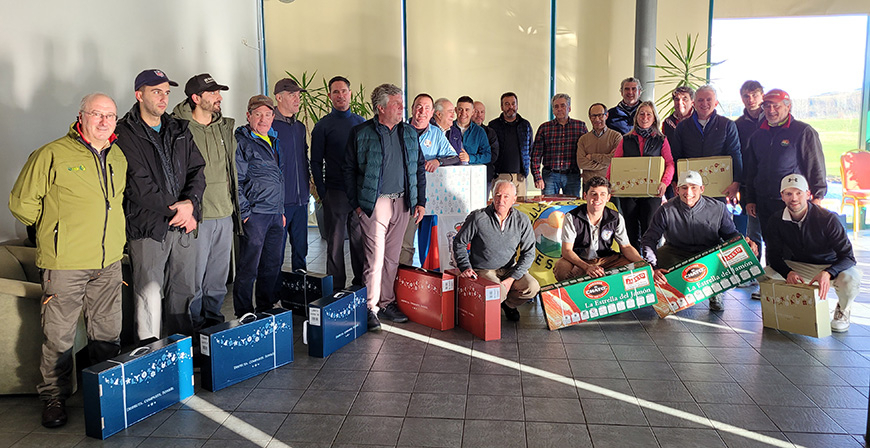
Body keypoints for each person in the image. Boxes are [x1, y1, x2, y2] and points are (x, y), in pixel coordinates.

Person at [10, 93, 127, 429]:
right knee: (59, 336)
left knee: (107, 332)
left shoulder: (118, 156)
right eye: (97, 114)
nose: (104, 121)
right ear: (81, 116)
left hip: (108, 262)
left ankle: (106, 392)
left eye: (110, 115)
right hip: (65, 264)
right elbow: (22, 204)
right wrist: (56, 230)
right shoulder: (52, 154)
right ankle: (53, 398)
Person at [116, 69, 206, 343]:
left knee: (184, 291)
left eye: (166, 92)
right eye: (156, 91)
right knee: (149, 297)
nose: (163, 98)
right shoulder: (124, 132)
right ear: (139, 94)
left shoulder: (179, 128)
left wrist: (191, 204)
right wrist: (180, 210)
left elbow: (197, 171)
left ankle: (182, 354)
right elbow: (137, 184)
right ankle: (151, 355)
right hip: (148, 227)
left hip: (183, 226)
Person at [344, 83, 426, 331]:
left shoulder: (409, 132)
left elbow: (419, 168)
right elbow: (348, 170)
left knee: (392, 259)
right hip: (375, 204)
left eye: (402, 103)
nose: (402, 108)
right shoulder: (361, 133)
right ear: (380, 108)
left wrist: (420, 202)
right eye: (396, 104)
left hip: (402, 204)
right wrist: (358, 206)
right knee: (375, 259)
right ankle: (370, 307)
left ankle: (387, 302)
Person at [171, 73, 238, 330]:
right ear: (196, 98)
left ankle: (213, 327)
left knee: (218, 280)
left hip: (224, 213)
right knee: (192, 281)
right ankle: (194, 331)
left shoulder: (224, 127)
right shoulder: (178, 128)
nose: (219, 97)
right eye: (213, 93)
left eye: (219, 92)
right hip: (197, 217)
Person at [640, 171, 758, 311]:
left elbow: (730, 235)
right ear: (677, 190)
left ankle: (716, 291)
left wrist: (744, 244)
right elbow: (650, 239)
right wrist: (652, 266)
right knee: (656, 261)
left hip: (709, 254)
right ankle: (669, 295)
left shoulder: (718, 208)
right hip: (676, 251)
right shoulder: (665, 210)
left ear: (702, 189)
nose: (688, 192)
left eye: (693, 187)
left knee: (730, 253)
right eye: (684, 188)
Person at [761, 174, 861, 332]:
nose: (794, 198)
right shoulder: (776, 220)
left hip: (829, 265)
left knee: (851, 279)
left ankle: (843, 309)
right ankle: (781, 310)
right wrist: (788, 272)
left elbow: (848, 257)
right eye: (788, 194)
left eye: (799, 193)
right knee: (765, 274)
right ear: (782, 196)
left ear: (808, 194)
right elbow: (773, 255)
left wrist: (828, 272)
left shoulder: (828, 219)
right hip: (799, 266)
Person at [744, 89, 826, 241]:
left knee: (793, 244)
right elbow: (752, 171)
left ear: (788, 107)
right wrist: (750, 199)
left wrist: (818, 196)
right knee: (770, 242)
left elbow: (815, 166)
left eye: (776, 106)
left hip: (792, 201)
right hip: (763, 202)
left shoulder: (803, 132)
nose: (771, 110)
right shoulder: (757, 136)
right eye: (767, 106)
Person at [453, 180, 540, 321]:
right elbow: (459, 242)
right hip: (484, 270)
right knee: (497, 291)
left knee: (532, 287)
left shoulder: (522, 220)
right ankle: (489, 311)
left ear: (514, 199)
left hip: (509, 269)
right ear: (492, 197)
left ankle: (509, 304)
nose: (501, 200)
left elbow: (529, 253)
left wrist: (512, 278)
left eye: (506, 196)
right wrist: (465, 267)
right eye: (498, 195)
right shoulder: (478, 217)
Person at [310, 76, 366, 291]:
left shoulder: (361, 123)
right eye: (336, 92)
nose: (340, 95)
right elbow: (315, 162)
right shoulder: (323, 126)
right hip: (335, 192)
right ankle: (335, 289)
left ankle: (360, 285)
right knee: (334, 243)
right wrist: (322, 191)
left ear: (350, 93)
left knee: (359, 241)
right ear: (329, 96)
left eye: (344, 91)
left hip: (358, 193)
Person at [233, 95, 286, 317]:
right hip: (255, 215)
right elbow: (236, 181)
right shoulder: (241, 142)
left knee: (271, 265)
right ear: (248, 116)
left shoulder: (274, 141)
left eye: (267, 114)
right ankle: (244, 312)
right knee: (249, 267)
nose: (263, 119)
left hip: (275, 214)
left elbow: (278, 178)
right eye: (258, 114)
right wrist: (246, 213)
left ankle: (266, 307)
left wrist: (281, 211)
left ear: (273, 117)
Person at [399, 93, 459, 265]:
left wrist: (438, 161)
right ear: (412, 109)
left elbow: (454, 157)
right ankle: (401, 277)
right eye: (419, 107)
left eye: (427, 108)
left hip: (429, 198)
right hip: (404, 195)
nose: (422, 111)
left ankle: (424, 276)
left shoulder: (436, 134)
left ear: (432, 113)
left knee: (429, 245)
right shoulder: (400, 131)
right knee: (404, 243)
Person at [608, 101, 675, 249]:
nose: (645, 117)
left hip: (652, 192)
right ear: (636, 117)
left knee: (650, 229)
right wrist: (608, 183)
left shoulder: (661, 140)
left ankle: (651, 260)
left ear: (654, 118)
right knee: (630, 230)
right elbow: (615, 163)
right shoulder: (625, 139)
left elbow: (670, 164)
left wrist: (664, 183)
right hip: (628, 193)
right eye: (641, 114)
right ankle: (634, 260)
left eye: (649, 114)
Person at [553, 177, 643, 281]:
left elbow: (626, 246)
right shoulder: (572, 217)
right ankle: (574, 290)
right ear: (585, 196)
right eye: (593, 194)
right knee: (562, 268)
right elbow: (567, 251)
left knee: (633, 267)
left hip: (607, 259)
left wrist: (642, 263)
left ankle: (615, 291)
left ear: (608, 197)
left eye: (602, 194)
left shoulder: (615, 217)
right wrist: (587, 267)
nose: (598, 198)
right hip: (580, 259)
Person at [670, 85, 742, 201]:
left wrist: (736, 182)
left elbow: (735, 154)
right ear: (694, 103)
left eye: (709, 99)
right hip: (690, 189)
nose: (704, 103)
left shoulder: (727, 125)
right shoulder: (682, 127)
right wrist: (675, 181)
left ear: (716, 103)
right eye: (700, 100)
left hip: (719, 188)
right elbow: (676, 155)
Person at [272, 78, 310, 271]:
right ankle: (273, 289)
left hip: (301, 201)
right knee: (275, 253)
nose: (297, 99)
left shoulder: (299, 128)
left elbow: (304, 160)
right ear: (279, 98)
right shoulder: (270, 128)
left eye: (298, 95)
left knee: (301, 251)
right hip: (280, 203)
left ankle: (300, 286)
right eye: (292, 95)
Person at [530, 93, 588, 196]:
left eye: (563, 106)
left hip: (572, 175)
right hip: (550, 175)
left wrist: (586, 171)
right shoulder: (544, 128)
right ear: (553, 110)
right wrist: (537, 177)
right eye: (556, 106)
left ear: (569, 108)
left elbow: (587, 151)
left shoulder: (580, 126)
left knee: (572, 204)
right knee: (549, 204)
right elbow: (536, 155)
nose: (559, 109)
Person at [734, 80, 765, 248]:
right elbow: (735, 155)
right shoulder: (737, 125)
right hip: (749, 185)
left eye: (754, 95)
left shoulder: (772, 119)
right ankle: (757, 266)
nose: (750, 99)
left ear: (762, 96)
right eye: (746, 96)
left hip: (772, 185)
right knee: (753, 233)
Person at [489, 92, 533, 196]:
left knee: (521, 205)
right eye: (507, 104)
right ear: (501, 107)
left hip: (520, 177)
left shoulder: (525, 125)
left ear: (517, 106)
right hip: (499, 175)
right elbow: (490, 150)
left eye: (513, 104)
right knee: (501, 204)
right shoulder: (493, 125)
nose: (511, 107)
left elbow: (530, 149)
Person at [576, 103, 622, 185]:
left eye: (600, 115)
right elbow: (581, 163)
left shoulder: (616, 137)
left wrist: (592, 157)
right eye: (593, 116)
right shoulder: (583, 139)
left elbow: (616, 161)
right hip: (588, 185)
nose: (597, 119)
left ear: (606, 115)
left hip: (610, 184)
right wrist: (606, 164)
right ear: (590, 118)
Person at [454, 95, 492, 165]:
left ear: (472, 112)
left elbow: (487, 156)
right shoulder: (448, 128)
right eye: (460, 109)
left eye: (467, 110)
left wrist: (470, 158)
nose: (463, 113)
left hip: (472, 171)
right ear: (456, 110)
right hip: (451, 170)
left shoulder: (479, 131)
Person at [472, 100, 500, 190]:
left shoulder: (490, 132)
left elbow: (493, 156)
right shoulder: (462, 131)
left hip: (485, 177)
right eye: (476, 111)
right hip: (466, 175)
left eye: (482, 112)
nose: (479, 115)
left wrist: (471, 158)